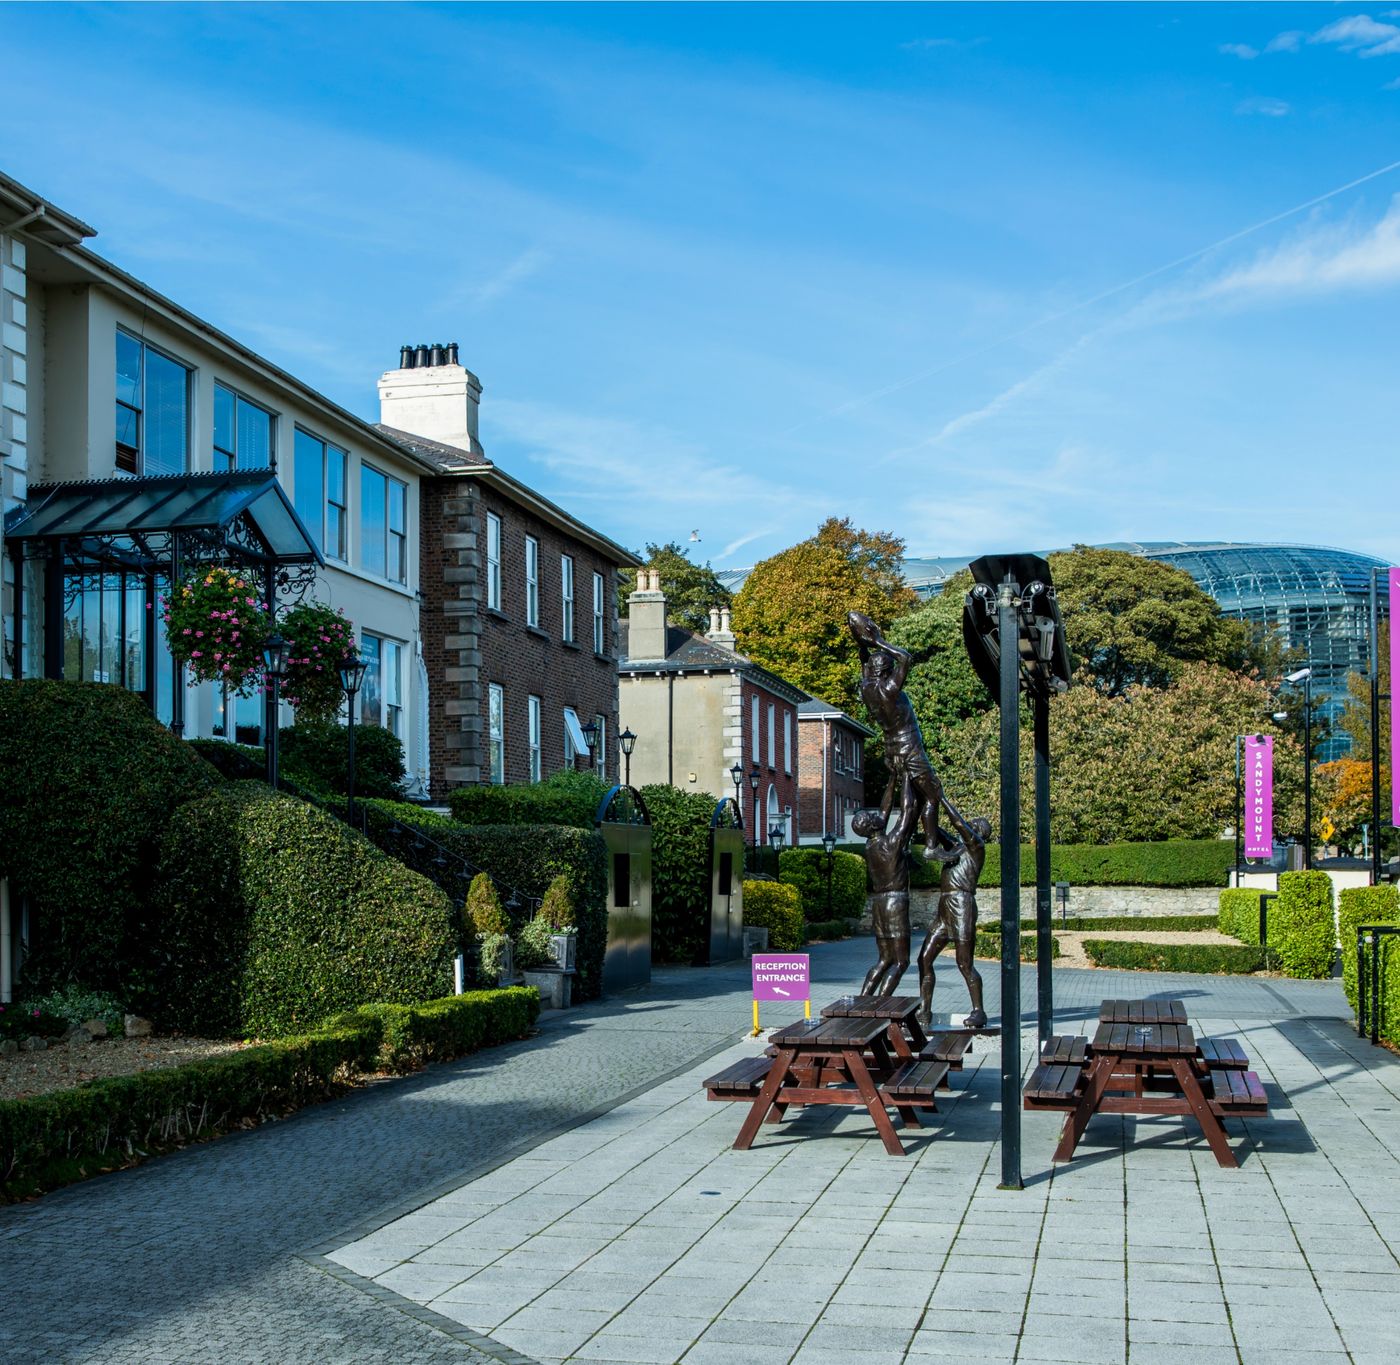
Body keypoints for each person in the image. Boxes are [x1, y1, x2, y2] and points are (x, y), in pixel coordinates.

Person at [848, 610, 962, 865]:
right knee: (933, 796)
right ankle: (931, 847)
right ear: (888, 673)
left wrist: (862, 644)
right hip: (909, 748)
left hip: (892, 750)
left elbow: (864, 664)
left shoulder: (867, 689)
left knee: (915, 800)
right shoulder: (888, 689)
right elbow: (906, 658)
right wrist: (877, 641)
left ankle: (913, 846)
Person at [917, 808, 992, 1028]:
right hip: (945, 907)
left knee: (964, 963)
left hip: (962, 906)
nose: (970, 821)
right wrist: (926, 804)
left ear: (978, 832)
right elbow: (936, 831)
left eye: (974, 822)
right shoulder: (957, 848)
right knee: (924, 959)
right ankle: (924, 1010)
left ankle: (979, 1012)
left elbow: (959, 823)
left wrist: (941, 798)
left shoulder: (976, 847)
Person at [852, 776, 919, 997]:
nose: (877, 815)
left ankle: (863, 1000)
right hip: (895, 903)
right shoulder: (891, 843)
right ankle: (881, 1003)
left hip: (879, 904)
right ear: (872, 826)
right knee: (901, 961)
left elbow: (884, 811)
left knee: (884, 959)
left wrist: (891, 779)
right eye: (872, 817)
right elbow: (908, 812)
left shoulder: (870, 846)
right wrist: (907, 779)